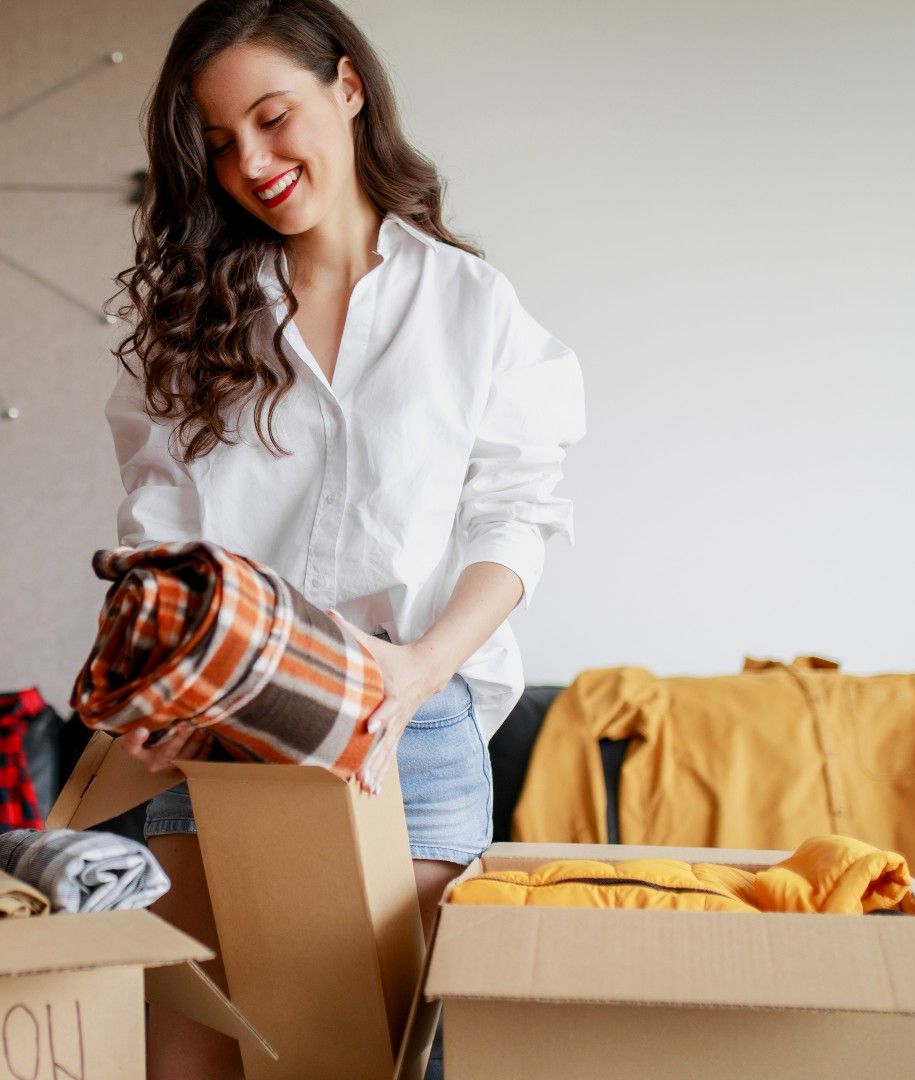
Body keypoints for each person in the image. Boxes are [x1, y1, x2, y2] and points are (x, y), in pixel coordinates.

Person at [101, 1, 587, 1074]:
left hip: (408, 732)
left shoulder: (471, 307)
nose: (253, 163)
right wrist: (155, 691)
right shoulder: (190, 319)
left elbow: (521, 510)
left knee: (357, 1061)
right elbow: (159, 538)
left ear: (348, 88)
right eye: (220, 144)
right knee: (192, 1061)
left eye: (274, 118)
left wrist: (421, 668)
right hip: (223, 727)